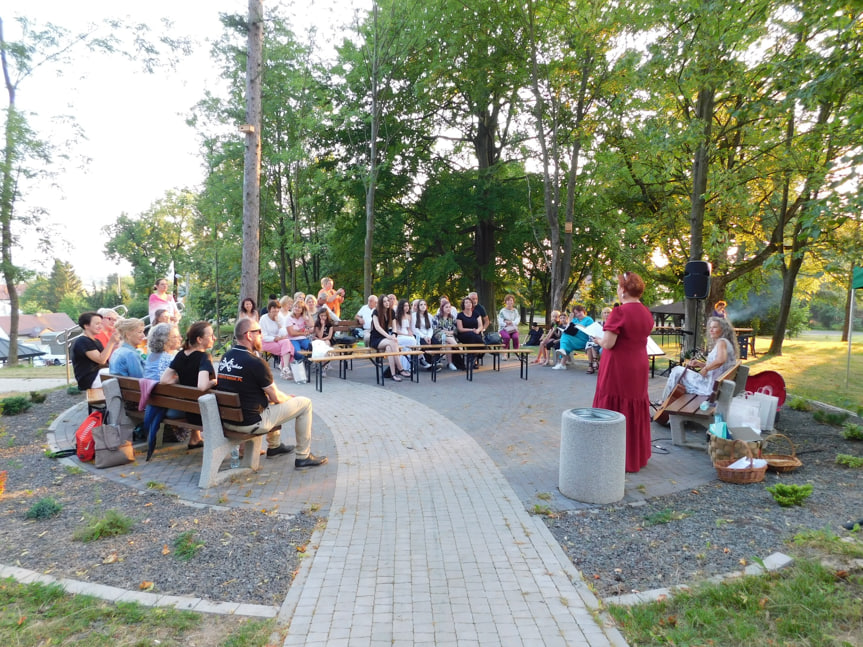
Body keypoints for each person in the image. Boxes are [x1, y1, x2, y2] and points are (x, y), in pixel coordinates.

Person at [217, 318, 327, 468]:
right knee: (304, 404)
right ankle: (303, 456)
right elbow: (276, 396)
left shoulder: (226, 357)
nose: (262, 336)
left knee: (273, 400)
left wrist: (280, 398)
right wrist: (289, 398)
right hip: (252, 422)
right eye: (259, 332)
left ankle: (274, 447)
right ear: (249, 335)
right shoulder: (255, 362)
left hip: (230, 420)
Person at [592, 272, 655, 473]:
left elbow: (609, 343)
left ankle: (611, 455)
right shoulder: (646, 312)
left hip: (619, 366)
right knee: (634, 404)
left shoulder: (619, 312)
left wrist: (598, 341)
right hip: (639, 364)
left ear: (624, 290)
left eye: (619, 286)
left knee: (613, 406)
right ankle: (636, 456)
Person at [143, 322, 202, 455]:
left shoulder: (151, 357)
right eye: (176, 337)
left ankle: (196, 437)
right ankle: (196, 438)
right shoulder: (172, 358)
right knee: (199, 400)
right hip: (170, 410)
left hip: (155, 404)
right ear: (165, 341)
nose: (181, 339)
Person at [159, 321, 219, 452]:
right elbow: (202, 386)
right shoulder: (204, 357)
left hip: (189, 410)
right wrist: (214, 381)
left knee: (196, 399)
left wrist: (180, 379)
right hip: (203, 412)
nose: (214, 338)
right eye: (211, 335)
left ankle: (195, 438)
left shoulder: (181, 355)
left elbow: (164, 379)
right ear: (199, 339)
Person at [660, 316, 737, 401]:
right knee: (678, 372)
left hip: (709, 387)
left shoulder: (721, 342)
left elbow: (721, 360)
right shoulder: (725, 342)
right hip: (715, 384)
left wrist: (706, 368)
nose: (711, 330)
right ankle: (668, 402)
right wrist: (700, 364)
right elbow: (719, 368)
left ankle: (664, 402)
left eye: (714, 327)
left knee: (676, 371)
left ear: (723, 329)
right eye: (710, 327)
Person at [71, 311, 118, 390]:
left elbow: (106, 358)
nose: (100, 326)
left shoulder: (96, 340)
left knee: (123, 370)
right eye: (97, 324)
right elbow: (101, 359)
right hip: (90, 378)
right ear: (86, 325)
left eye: (101, 324)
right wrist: (111, 342)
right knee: (121, 375)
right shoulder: (82, 341)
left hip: (100, 373)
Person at [369, 294, 410, 381]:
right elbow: (377, 327)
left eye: (388, 301)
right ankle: (401, 368)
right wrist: (389, 336)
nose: (387, 303)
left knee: (389, 348)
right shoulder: (375, 312)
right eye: (384, 301)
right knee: (393, 342)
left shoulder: (391, 312)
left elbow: (394, 327)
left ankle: (393, 374)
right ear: (380, 303)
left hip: (386, 339)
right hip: (376, 339)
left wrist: (394, 335)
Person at [261, 300, 295, 380]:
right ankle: (284, 368)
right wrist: (274, 338)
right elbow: (263, 335)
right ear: (269, 309)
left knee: (286, 342)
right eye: (273, 308)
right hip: (267, 341)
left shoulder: (280, 318)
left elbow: (283, 333)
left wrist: (278, 323)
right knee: (287, 347)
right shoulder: (264, 318)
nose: (276, 310)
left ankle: (285, 368)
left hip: (279, 340)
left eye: (277, 308)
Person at [552, 305, 594, 370]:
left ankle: (562, 363)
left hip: (584, 340)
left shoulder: (588, 319)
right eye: (576, 313)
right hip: (574, 339)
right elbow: (568, 328)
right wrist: (570, 319)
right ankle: (562, 364)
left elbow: (591, 331)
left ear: (583, 311)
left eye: (579, 312)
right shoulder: (575, 319)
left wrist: (581, 326)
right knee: (565, 335)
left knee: (565, 341)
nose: (578, 314)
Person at [585, 307, 612, 375]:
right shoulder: (598, 323)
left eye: (608, 313)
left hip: (606, 343)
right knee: (590, 343)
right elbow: (591, 333)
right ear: (602, 315)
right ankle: (591, 364)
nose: (606, 314)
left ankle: (595, 362)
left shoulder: (613, 324)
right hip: (597, 341)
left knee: (593, 345)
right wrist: (594, 337)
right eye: (605, 313)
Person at [433, 300, 458, 371]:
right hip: (439, 336)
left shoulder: (452, 318)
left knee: (448, 343)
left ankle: (450, 363)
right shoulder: (436, 317)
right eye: (446, 307)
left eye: (449, 307)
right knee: (447, 338)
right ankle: (458, 348)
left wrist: (452, 332)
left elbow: (456, 329)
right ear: (442, 308)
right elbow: (435, 329)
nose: (448, 309)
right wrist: (445, 332)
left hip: (450, 336)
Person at [413, 299, 436, 369]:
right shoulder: (414, 316)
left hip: (428, 336)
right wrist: (424, 337)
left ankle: (435, 361)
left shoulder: (429, 316)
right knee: (425, 345)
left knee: (437, 343)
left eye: (424, 304)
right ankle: (427, 363)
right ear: (418, 307)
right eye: (421, 304)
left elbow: (430, 328)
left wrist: (428, 337)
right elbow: (415, 329)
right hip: (419, 336)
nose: (423, 306)